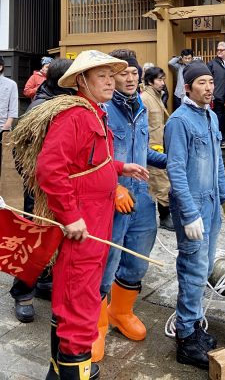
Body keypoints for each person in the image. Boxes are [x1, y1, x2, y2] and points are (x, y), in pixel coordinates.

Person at [34, 50, 149, 380]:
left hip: (96, 222)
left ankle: (60, 370)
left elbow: (90, 163)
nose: (111, 82)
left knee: (75, 299)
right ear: (81, 81)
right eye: (102, 76)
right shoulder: (73, 116)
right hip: (81, 226)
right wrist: (70, 216)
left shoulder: (94, 113)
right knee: (78, 304)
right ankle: (74, 370)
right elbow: (50, 169)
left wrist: (119, 167)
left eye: (112, 76)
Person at [92, 54, 166, 362]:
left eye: (134, 73)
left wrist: (173, 162)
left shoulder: (139, 107)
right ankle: (94, 326)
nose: (130, 78)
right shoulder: (102, 110)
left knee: (138, 262)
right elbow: (93, 158)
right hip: (111, 197)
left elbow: (143, 151)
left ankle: (121, 311)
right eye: (123, 74)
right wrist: (115, 186)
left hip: (142, 196)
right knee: (105, 264)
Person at [164, 61, 225, 369]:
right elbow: (176, 170)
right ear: (188, 87)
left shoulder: (210, 116)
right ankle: (185, 336)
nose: (209, 88)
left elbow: (218, 162)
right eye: (202, 83)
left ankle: (193, 324)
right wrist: (189, 212)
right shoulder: (179, 121)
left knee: (204, 267)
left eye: (211, 82)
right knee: (192, 269)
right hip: (191, 207)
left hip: (210, 204)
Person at [10, 58, 74, 324]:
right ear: (62, 82)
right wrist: (35, 181)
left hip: (64, 187)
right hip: (39, 190)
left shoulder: (71, 101)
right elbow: (19, 150)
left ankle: (45, 282)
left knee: (58, 238)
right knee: (36, 239)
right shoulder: (41, 108)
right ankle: (23, 294)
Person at [140, 66, 174, 231]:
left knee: (162, 181)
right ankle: (165, 217)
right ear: (149, 81)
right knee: (161, 183)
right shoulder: (145, 98)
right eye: (159, 79)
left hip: (160, 144)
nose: (162, 83)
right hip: (152, 147)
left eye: (163, 79)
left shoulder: (157, 96)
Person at [207, 42, 225, 149]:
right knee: (220, 120)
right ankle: (222, 140)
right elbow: (208, 80)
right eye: (218, 49)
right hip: (218, 96)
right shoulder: (212, 63)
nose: (219, 51)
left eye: (222, 50)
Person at [0, 55, 18, 133]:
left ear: (0, 67)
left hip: (2, 127)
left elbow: (13, 106)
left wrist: (7, 124)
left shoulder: (11, 84)